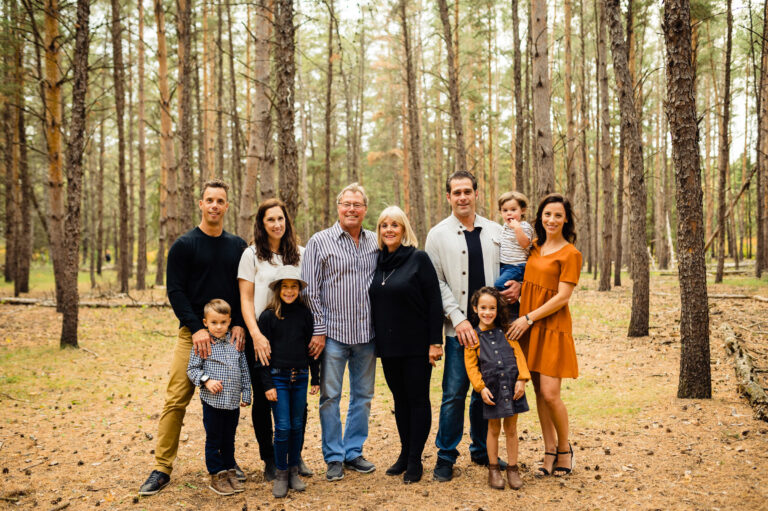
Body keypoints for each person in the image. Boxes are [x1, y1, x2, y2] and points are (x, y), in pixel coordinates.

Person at [139, 179, 247, 496]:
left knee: (228, 401)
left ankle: (226, 463)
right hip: (193, 336)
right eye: (209, 200)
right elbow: (176, 292)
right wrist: (196, 327)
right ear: (200, 204)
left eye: (220, 201)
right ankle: (161, 467)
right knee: (176, 400)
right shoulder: (184, 246)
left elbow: (244, 290)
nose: (214, 205)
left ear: (227, 206)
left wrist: (238, 323)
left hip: (228, 339)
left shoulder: (238, 246)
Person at [425, 170, 520, 483]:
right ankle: (445, 456)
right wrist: (458, 317)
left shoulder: (496, 231)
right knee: (454, 393)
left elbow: (515, 262)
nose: (462, 197)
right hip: (459, 331)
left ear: (476, 194)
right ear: (449, 196)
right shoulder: (437, 235)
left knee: (486, 393)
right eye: (456, 192)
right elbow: (434, 282)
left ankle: (482, 450)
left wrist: (517, 283)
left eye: (468, 191)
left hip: (494, 332)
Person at [301, 182, 378, 482]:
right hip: (332, 334)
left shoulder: (375, 242)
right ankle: (333, 456)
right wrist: (318, 330)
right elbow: (310, 291)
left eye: (357, 204)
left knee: (364, 396)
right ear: (338, 206)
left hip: (367, 335)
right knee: (330, 397)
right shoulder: (320, 242)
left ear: (365, 209)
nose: (351, 209)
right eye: (346, 203)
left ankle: (353, 451)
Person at [507, 193, 582, 477]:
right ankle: (548, 450)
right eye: (547, 215)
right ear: (540, 218)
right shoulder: (535, 248)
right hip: (530, 327)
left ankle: (565, 448)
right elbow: (533, 282)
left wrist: (528, 318)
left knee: (551, 394)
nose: (552, 220)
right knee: (538, 391)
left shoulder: (570, 254)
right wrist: (519, 287)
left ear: (566, 220)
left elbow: (563, 296)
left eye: (558, 216)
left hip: (550, 327)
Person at [237, 198, 311, 480]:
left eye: (280, 219)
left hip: (293, 338)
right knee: (264, 399)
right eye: (270, 220)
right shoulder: (251, 255)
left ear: (287, 221)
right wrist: (255, 335)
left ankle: (295, 456)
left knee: (297, 402)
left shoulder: (301, 254)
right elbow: (245, 299)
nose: (277, 224)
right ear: (262, 224)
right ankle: (269, 458)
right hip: (263, 337)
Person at [368, 206, 443, 484]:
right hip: (389, 346)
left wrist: (435, 342)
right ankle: (403, 453)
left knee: (417, 400)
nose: (389, 229)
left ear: (404, 229)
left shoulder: (418, 259)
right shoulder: (376, 262)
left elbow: (435, 301)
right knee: (400, 401)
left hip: (417, 344)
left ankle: (415, 459)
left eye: (395, 225)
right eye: (384, 225)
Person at [257, 267, 320, 498]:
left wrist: (315, 376)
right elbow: (261, 356)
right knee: (282, 427)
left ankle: (294, 470)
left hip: (300, 376)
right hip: (278, 378)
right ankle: (281, 473)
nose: (290, 291)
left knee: (296, 425)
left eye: (294, 286)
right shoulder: (268, 316)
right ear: (278, 289)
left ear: (299, 289)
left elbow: (311, 349)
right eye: (285, 286)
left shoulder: (305, 313)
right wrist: (267, 384)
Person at [464, 287, 530, 490]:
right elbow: (472, 367)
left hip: (512, 388)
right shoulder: (473, 339)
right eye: (483, 307)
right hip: (491, 391)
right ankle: (493, 469)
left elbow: (519, 356)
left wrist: (522, 380)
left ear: (497, 309)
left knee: (511, 429)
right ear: (475, 308)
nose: (487, 312)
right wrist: (480, 388)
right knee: (493, 429)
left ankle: (512, 468)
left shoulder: (508, 332)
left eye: (492, 308)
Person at [187, 299, 252, 496]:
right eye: (214, 322)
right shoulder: (203, 343)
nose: (218, 327)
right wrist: (207, 380)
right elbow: (192, 369)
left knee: (229, 439)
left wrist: (247, 393)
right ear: (205, 322)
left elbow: (244, 369)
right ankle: (217, 474)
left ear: (229, 321)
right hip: (213, 402)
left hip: (232, 403)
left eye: (223, 322)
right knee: (214, 439)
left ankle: (229, 470)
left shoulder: (235, 341)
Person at [493, 192, 534, 295]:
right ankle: (510, 307)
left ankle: (506, 305)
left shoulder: (524, 226)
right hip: (504, 265)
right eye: (505, 210)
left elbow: (525, 244)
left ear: (522, 210)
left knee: (499, 285)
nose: (509, 213)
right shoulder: (504, 227)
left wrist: (517, 229)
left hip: (516, 266)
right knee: (503, 285)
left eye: (513, 210)